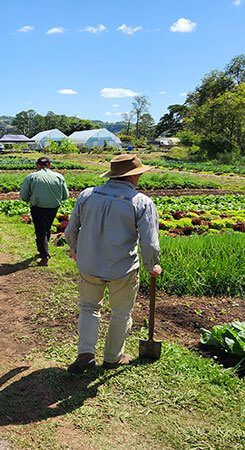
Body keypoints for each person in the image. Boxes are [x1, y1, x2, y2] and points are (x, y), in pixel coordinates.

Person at [64, 154, 162, 373]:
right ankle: (112, 357)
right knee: (120, 312)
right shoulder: (141, 202)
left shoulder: (87, 195)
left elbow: (70, 231)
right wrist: (151, 266)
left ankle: (86, 353)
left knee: (89, 308)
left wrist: (76, 251)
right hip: (122, 269)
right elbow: (150, 243)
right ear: (133, 176)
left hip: (89, 265)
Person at [19, 156, 69, 266]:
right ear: (50, 165)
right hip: (53, 208)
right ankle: (42, 251)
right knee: (47, 228)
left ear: (37, 165)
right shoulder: (59, 177)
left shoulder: (31, 177)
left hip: (38, 207)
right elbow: (66, 196)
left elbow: (23, 195)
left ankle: (45, 255)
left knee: (40, 230)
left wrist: (30, 199)